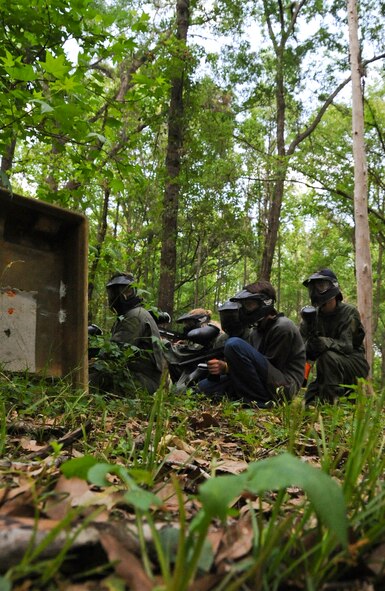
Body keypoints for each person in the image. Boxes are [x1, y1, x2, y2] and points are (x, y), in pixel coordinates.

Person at [197, 280, 306, 408]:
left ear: (266, 303)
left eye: (249, 305)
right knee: (202, 388)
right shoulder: (256, 331)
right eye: (243, 305)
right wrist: (225, 368)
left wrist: (228, 368)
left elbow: (270, 369)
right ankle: (247, 398)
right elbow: (252, 367)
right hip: (263, 382)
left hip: (283, 389)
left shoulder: (283, 327)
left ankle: (259, 404)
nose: (244, 310)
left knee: (233, 344)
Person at [300, 268, 370, 404]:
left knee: (327, 357)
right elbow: (301, 350)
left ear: (333, 288)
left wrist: (324, 342)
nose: (315, 292)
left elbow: (347, 346)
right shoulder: (312, 317)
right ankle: (335, 400)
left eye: (320, 286)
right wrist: (310, 346)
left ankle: (333, 405)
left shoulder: (349, 312)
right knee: (307, 403)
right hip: (328, 369)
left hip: (354, 362)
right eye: (312, 288)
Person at [89, 272, 164, 395]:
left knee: (84, 383)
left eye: (125, 291)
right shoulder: (130, 315)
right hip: (137, 377)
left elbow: (115, 353)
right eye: (112, 292)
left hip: (142, 381)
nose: (114, 297)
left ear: (133, 293)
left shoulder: (135, 315)